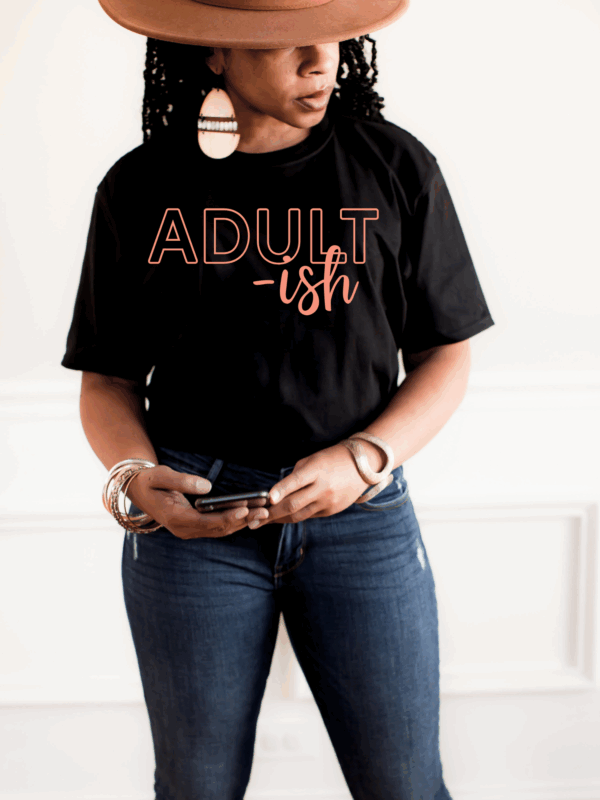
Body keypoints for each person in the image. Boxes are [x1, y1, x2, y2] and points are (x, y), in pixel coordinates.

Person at [61, 0, 495, 796]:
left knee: (405, 785)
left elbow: (445, 355)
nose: (319, 61)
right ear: (216, 55)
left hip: (360, 519)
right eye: (283, 45)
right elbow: (108, 379)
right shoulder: (140, 186)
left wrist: (364, 459)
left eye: (329, 37)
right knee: (196, 786)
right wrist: (133, 473)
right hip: (191, 524)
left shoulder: (394, 168)